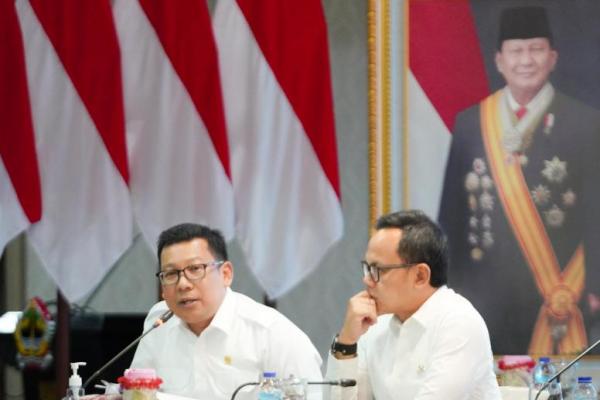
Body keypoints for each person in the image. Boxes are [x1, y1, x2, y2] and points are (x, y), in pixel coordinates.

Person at [439, 6, 600, 355]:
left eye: (536, 49)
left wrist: (596, 288)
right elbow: (451, 216)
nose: (526, 60)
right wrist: (447, 291)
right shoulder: (471, 123)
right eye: (516, 51)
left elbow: (596, 214)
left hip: (558, 297)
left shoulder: (586, 124)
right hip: (486, 298)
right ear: (499, 60)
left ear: (552, 57)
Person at [130, 223, 323, 399]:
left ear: (226, 274)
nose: (183, 284)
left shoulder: (273, 333)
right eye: (171, 274)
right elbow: (137, 393)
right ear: (162, 287)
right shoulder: (158, 321)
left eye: (195, 269)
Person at [325, 210, 500, 400]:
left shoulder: (459, 323)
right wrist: (347, 341)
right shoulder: (375, 325)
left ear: (420, 276)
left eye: (377, 270)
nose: (367, 280)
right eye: (367, 268)